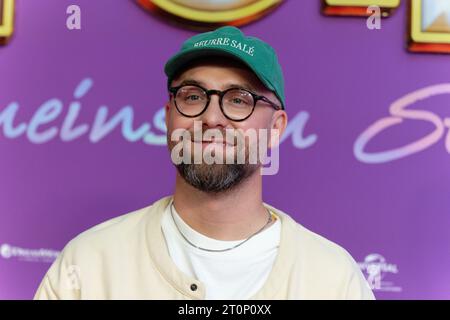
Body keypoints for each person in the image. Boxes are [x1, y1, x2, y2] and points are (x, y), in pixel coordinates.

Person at [34, 26, 374, 300]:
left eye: (239, 100)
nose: (212, 118)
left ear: (276, 128)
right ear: (169, 117)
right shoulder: (89, 264)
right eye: (193, 96)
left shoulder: (332, 280)